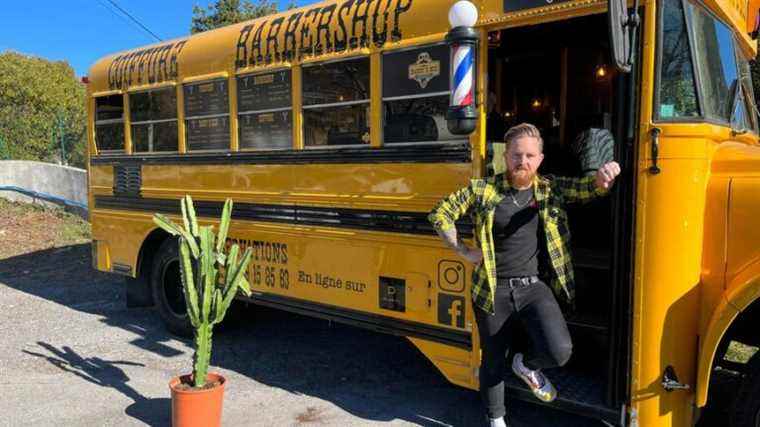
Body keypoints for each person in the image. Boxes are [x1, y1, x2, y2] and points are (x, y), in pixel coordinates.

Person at [427, 123, 620, 427]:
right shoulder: (483, 189)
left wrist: (601, 178)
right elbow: (440, 213)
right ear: (506, 157)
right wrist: (464, 252)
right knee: (492, 361)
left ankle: (526, 364)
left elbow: (585, 189)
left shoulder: (549, 189)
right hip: (492, 289)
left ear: (540, 159)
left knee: (560, 351)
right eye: (517, 155)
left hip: (533, 288)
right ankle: (496, 418)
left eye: (530, 155)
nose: (523, 161)